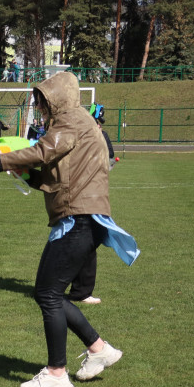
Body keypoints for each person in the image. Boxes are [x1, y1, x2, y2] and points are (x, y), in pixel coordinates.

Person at [0, 72, 138, 387]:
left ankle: (57, 374)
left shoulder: (71, 120)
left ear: (56, 98)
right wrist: (20, 172)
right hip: (82, 217)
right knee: (51, 293)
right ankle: (100, 350)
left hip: (79, 218)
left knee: (47, 294)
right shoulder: (78, 122)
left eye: (43, 100)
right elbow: (53, 174)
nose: (40, 106)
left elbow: (44, 151)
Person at [69, 103, 118, 305]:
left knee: (84, 240)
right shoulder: (85, 134)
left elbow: (110, 161)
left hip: (89, 194)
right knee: (84, 241)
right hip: (85, 196)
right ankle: (80, 291)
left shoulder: (94, 135)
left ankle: (77, 289)